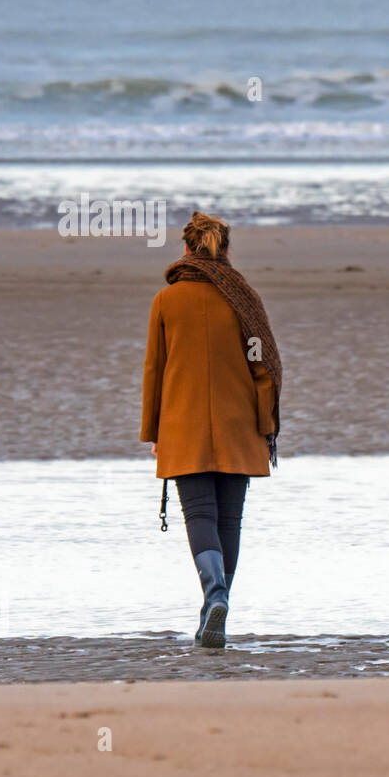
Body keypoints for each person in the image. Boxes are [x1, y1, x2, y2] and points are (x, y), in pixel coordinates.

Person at [140, 211, 281, 648]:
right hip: (239, 424)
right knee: (230, 520)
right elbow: (264, 367)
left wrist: (155, 434)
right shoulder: (245, 299)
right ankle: (215, 607)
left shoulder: (166, 301)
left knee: (199, 516)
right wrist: (266, 427)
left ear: (186, 249)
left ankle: (214, 598)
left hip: (183, 426)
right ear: (224, 249)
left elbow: (154, 370)